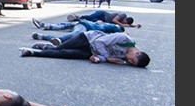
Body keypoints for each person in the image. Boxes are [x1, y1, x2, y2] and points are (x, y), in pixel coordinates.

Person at [19, 30, 150, 67]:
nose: (129, 62)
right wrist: (106, 57)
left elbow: (104, 58)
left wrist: (98, 59)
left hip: (89, 52)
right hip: (87, 39)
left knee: (63, 54)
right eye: (132, 61)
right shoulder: (124, 39)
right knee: (60, 48)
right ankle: (46, 46)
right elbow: (99, 42)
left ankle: (33, 52)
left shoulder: (123, 60)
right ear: (137, 53)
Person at [30, 18, 125, 46]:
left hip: (83, 23)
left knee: (64, 26)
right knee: (75, 34)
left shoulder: (103, 25)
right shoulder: (115, 27)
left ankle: (43, 29)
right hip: (86, 26)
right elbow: (118, 31)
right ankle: (59, 39)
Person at [64, 9, 142, 29]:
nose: (123, 22)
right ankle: (78, 16)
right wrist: (122, 25)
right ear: (126, 18)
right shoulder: (122, 15)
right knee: (91, 17)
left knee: (93, 22)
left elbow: (129, 25)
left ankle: (76, 18)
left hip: (103, 20)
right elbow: (114, 20)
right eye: (124, 21)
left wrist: (136, 25)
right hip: (102, 14)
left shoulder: (125, 22)